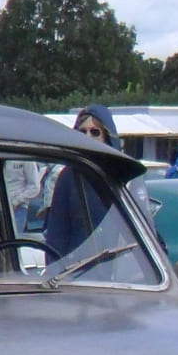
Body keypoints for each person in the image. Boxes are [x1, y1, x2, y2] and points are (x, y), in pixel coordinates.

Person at [45, 104, 119, 254]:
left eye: (95, 132)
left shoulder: (122, 176)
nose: (88, 137)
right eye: (83, 132)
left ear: (106, 136)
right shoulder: (67, 177)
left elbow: (147, 233)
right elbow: (57, 236)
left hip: (118, 269)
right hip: (80, 269)